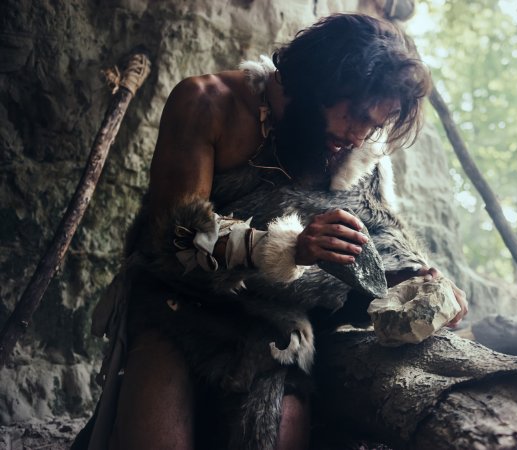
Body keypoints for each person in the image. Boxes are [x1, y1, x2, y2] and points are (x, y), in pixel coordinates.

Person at [74, 13, 468, 450]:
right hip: (176, 306)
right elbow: (177, 241)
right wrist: (287, 247)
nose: (359, 136)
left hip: (276, 327)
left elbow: (379, 244)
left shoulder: (360, 156)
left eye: (373, 125)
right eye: (354, 114)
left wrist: (415, 280)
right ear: (317, 82)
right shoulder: (208, 102)